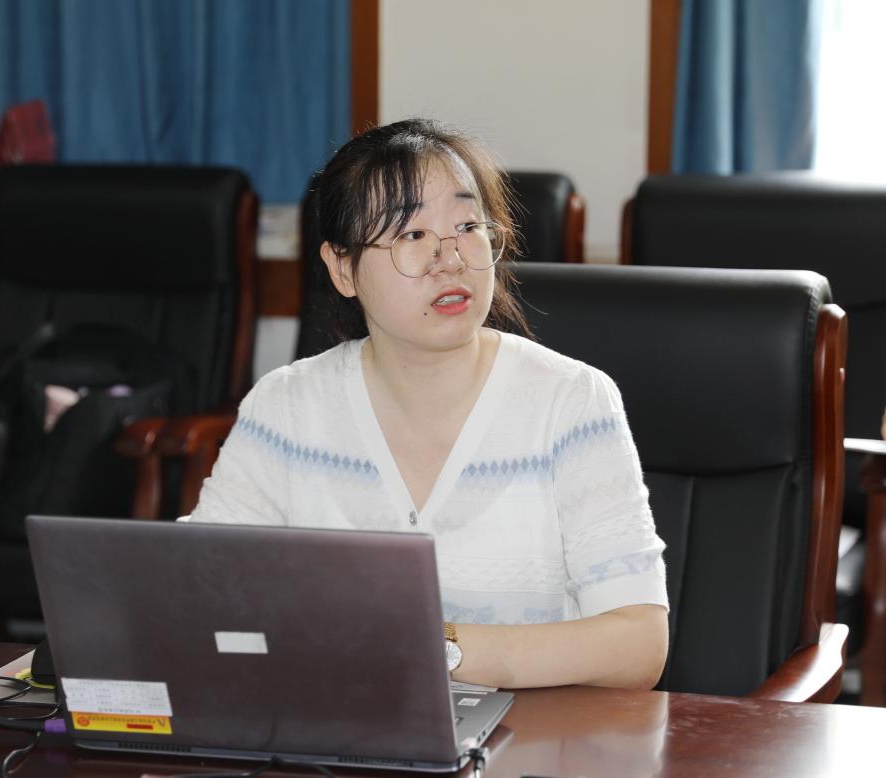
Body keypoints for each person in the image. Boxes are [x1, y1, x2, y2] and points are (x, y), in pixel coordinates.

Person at [184, 118, 668, 690]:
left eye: (468, 226)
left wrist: (435, 647)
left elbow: (638, 644)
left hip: (532, 732)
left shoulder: (570, 402)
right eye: (412, 235)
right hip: (338, 724)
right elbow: (200, 596)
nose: (451, 258)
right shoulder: (286, 408)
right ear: (343, 268)